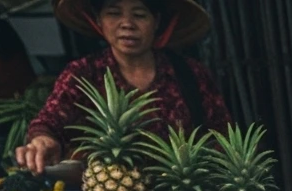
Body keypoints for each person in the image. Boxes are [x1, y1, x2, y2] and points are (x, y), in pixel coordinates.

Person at [15, 0, 230, 174]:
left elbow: (222, 136)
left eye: (139, 14)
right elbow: (50, 121)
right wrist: (43, 140)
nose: (127, 23)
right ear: (98, 20)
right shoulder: (82, 73)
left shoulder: (190, 73)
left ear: (156, 21)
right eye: (114, 13)